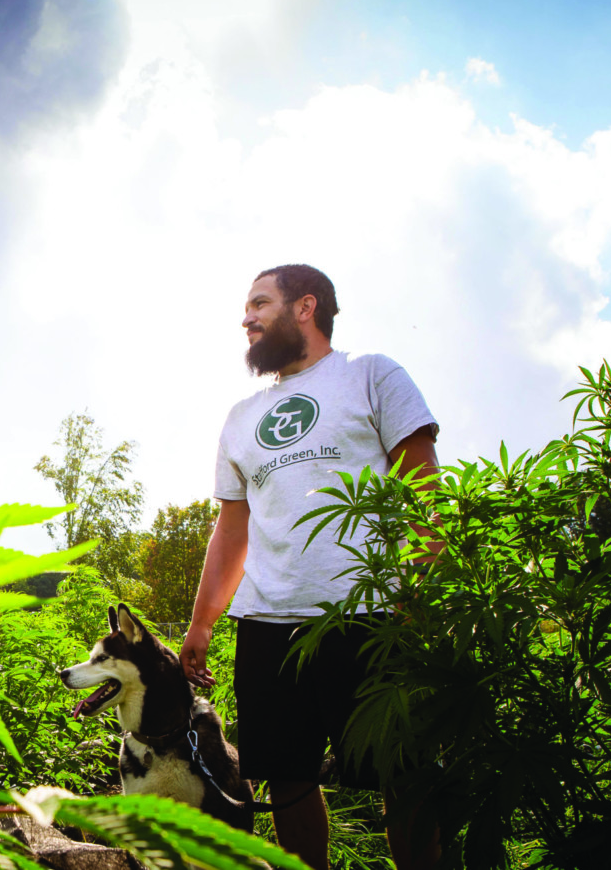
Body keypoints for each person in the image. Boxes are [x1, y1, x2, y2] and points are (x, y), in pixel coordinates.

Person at [179, 264, 441, 870]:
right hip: (268, 624)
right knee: (286, 780)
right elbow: (232, 529)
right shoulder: (241, 416)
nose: (246, 317)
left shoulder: (370, 375)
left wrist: (420, 593)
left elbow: (423, 487)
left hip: (372, 612)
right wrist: (201, 624)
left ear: (305, 306)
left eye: (259, 303)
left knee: (403, 774)